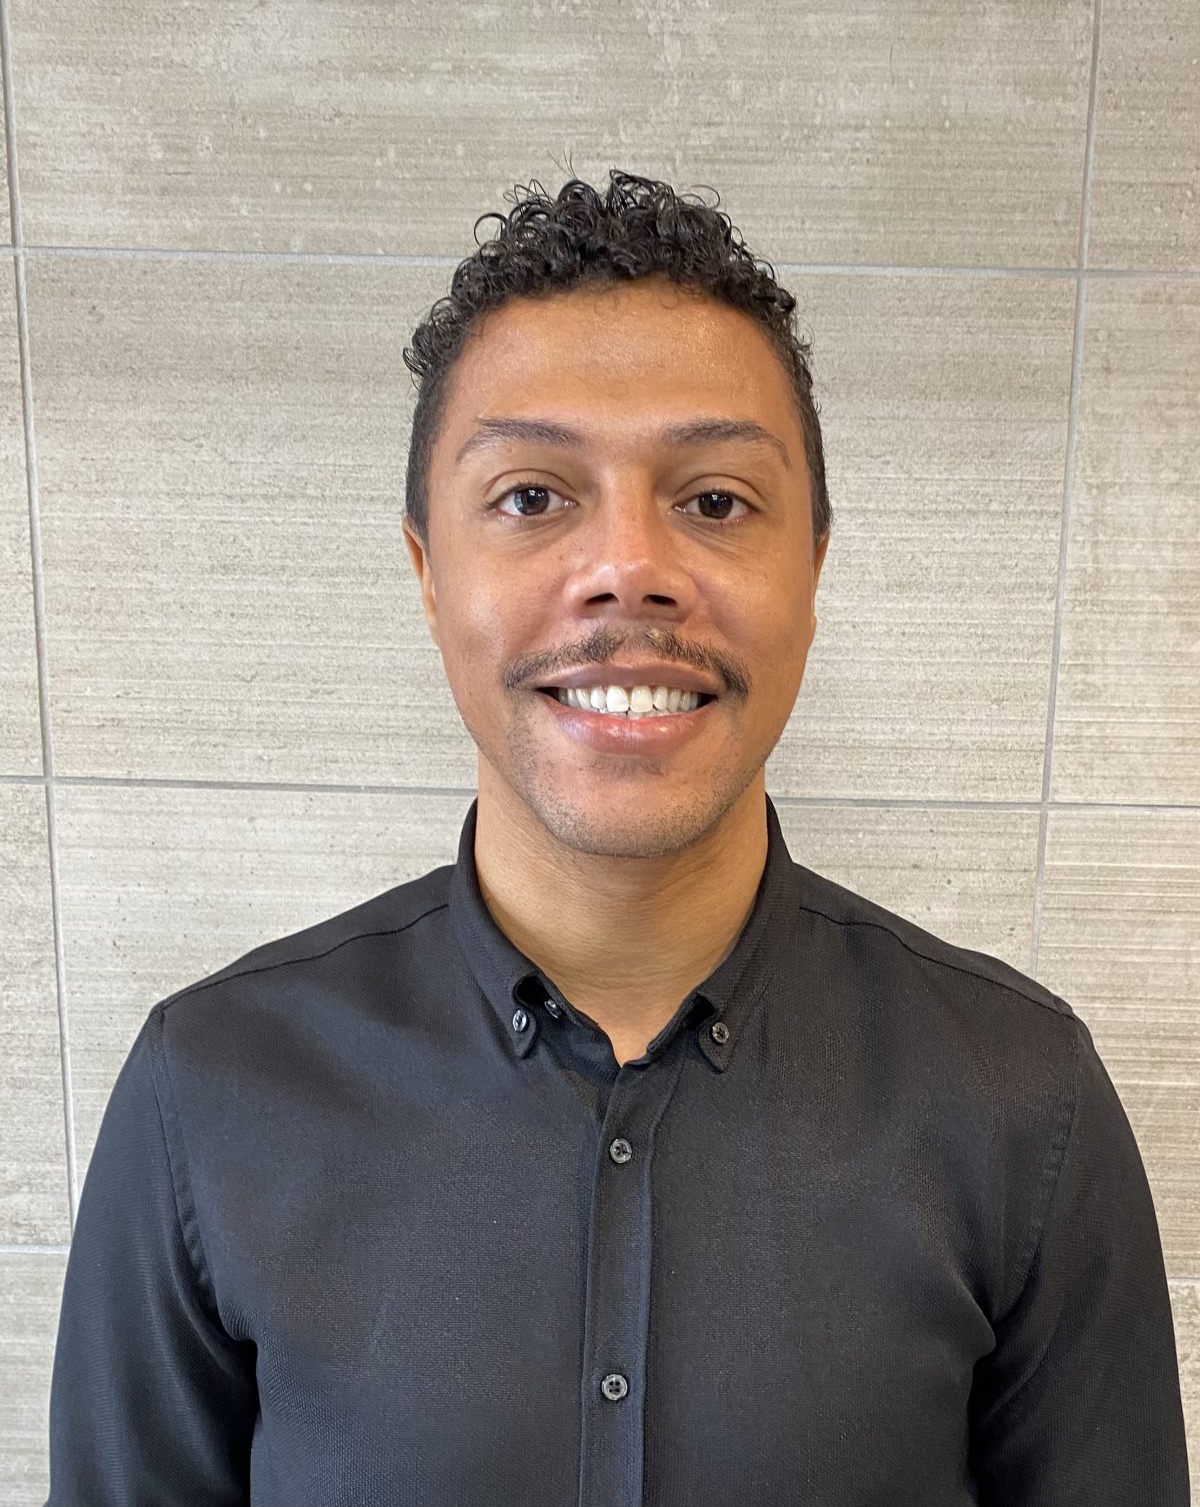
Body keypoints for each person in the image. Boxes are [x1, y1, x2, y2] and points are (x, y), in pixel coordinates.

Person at [44, 169, 1189, 1505]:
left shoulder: (1021, 1103)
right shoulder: (211, 1093)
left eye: (716, 500)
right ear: (428, 571)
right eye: (533, 496)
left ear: (814, 570)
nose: (628, 568)